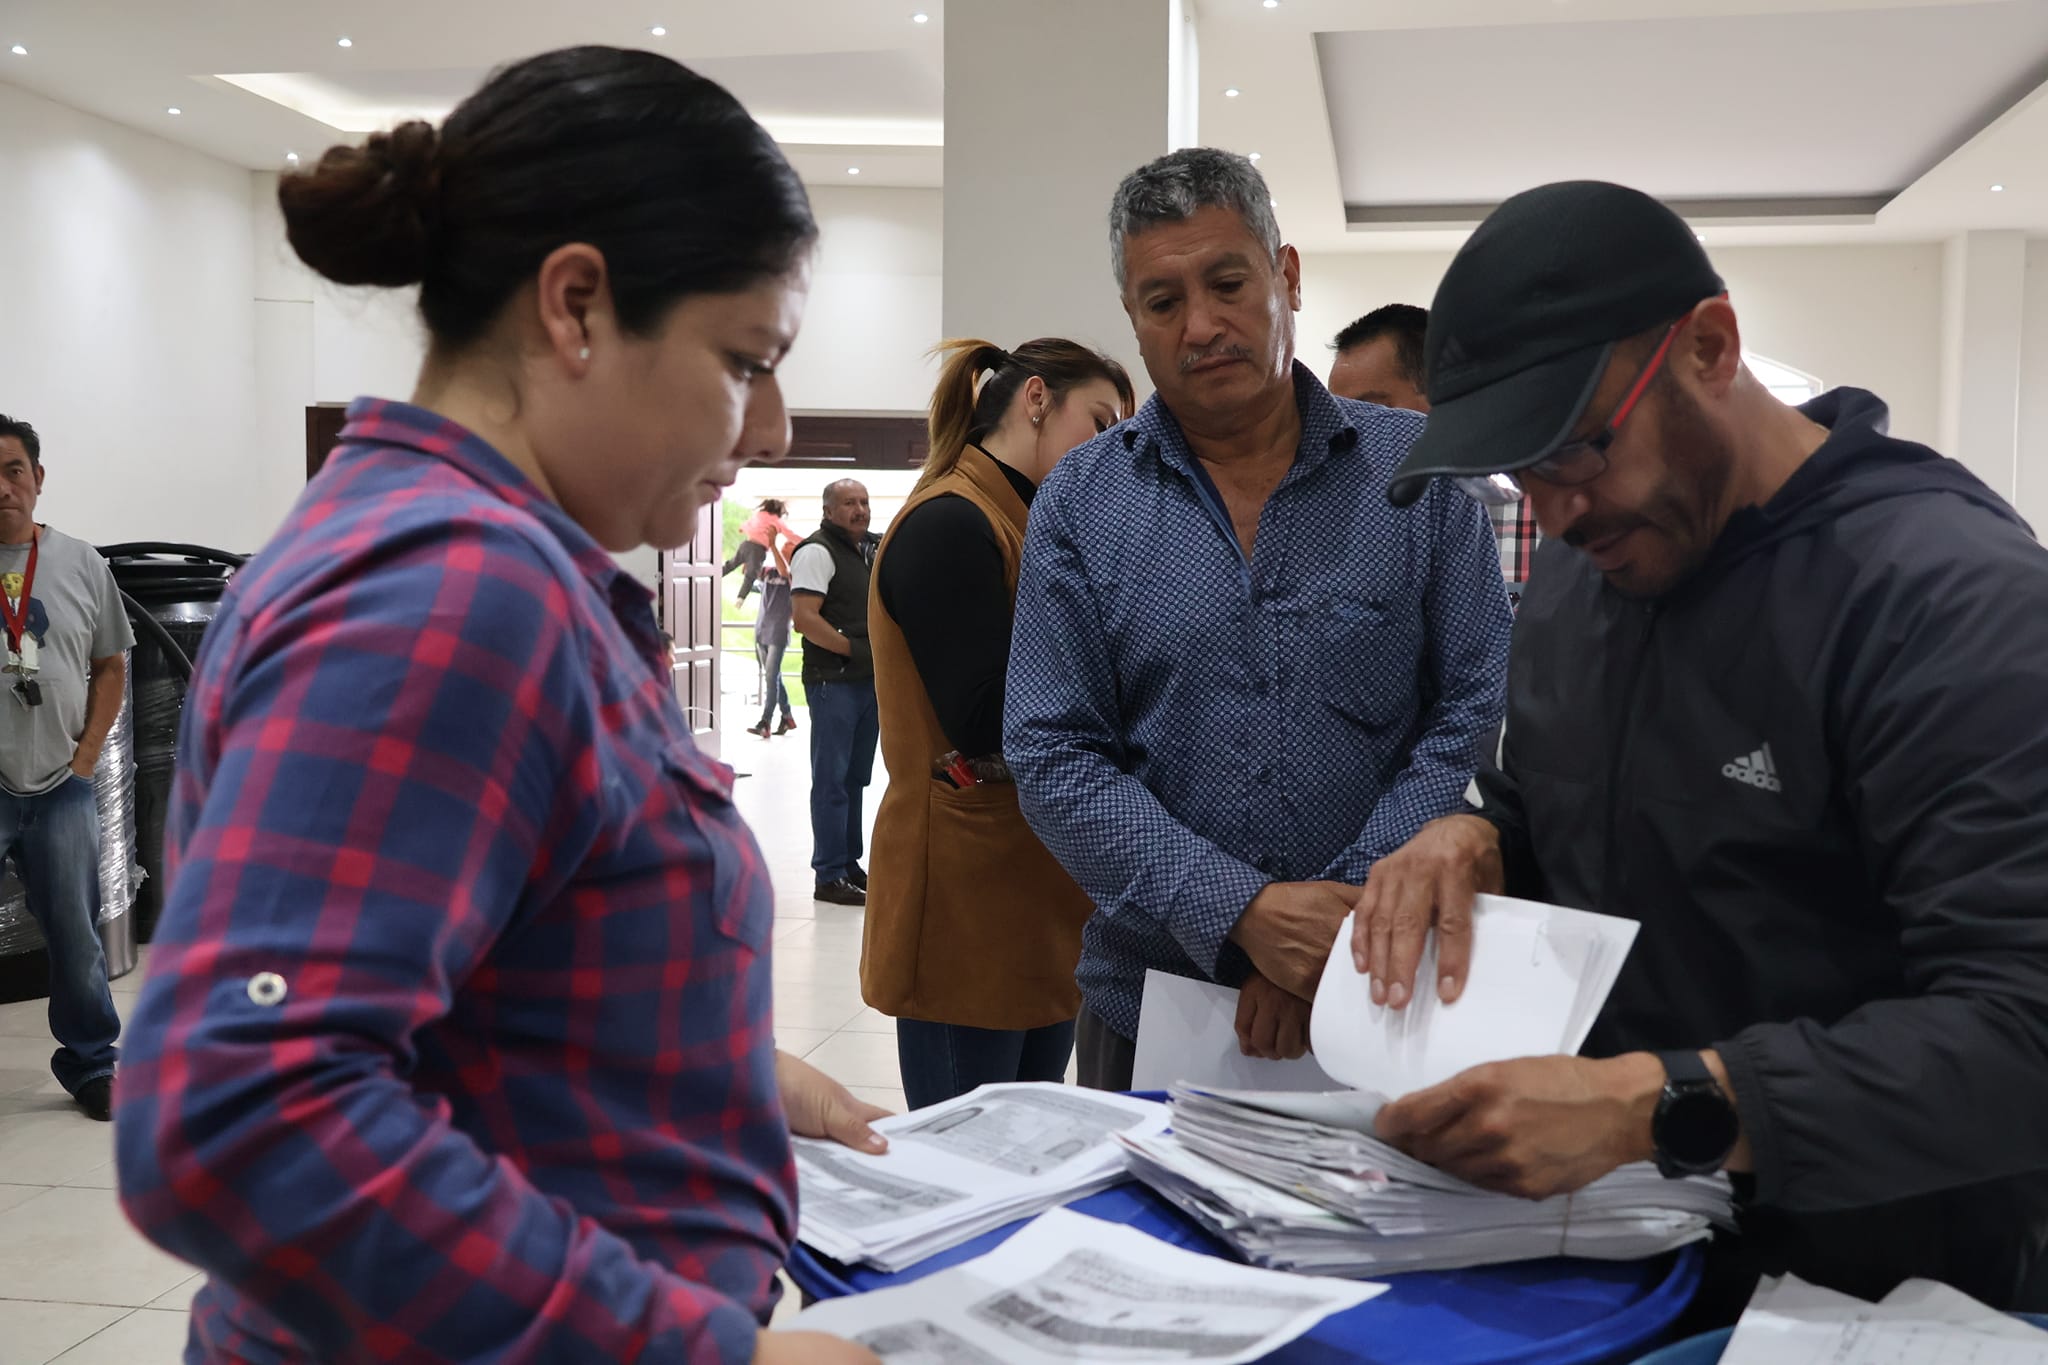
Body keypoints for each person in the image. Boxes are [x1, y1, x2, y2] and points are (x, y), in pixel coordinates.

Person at [112, 48, 888, 1365]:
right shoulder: (457, 594)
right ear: (576, 305)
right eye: (747, 360)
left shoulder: (475, 564)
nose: (771, 430)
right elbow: (241, 1109)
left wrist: (698, 1070)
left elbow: (477, 988)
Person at [1353, 179, 2048, 1322]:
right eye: (1522, 474)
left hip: (1881, 1292)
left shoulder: (1945, 602)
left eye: (1576, 450)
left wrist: (1656, 1106)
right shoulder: (1587, 566)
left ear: (1709, 349)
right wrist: (1474, 831)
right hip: (1619, 1257)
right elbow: (1553, 797)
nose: (1557, 512)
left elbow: (2023, 1030)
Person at [1005, 148, 1513, 1093]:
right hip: (1151, 1008)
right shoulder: (1082, 498)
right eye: (1162, 302)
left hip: (1385, 995)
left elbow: (1467, 713)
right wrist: (1241, 912)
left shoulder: (1422, 479)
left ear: (1285, 276)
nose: (1202, 325)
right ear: (1134, 320)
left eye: (1228, 282)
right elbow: (1052, 751)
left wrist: (1331, 927)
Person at [864, 337, 1135, 1109]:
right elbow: (987, 717)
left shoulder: (1026, 522)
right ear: (1038, 399)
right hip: (964, 893)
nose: (1112, 448)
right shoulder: (951, 521)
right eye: (1102, 421)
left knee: (1029, 1145)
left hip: (1031, 888)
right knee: (968, 1167)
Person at [0, 414, 130, 1123]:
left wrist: (84, 761)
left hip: (60, 784)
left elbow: (111, 665)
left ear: (37, 479)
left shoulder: (83, 564)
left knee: (77, 935)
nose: (1, 488)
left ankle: (91, 1063)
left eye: (13, 470)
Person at [1329, 304, 1541, 590]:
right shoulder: (1345, 516)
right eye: (1342, 414)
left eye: (1372, 410)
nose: (1350, 431)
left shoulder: (1547, 505)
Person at [791, 478, 878, 907]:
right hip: (833, 682)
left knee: (855, 778)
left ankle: (847, 864)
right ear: (828, 511)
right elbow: (805, 619)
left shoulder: (868, 550)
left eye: (863, 502)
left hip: (866, 682)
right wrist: (854, 651)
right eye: (848, 503)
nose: (859, 510)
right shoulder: (816, 552)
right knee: (831, 780)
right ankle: (827, 874)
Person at [746, 561, 797, 739]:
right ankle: (787, 716)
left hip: (779, 632)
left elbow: (785, 571)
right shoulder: (769, 571)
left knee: (770, 677)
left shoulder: (794, 575)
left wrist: (773, 544)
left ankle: (765, 721)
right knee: (773, 676)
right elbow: (748, 570)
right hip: (762, 629)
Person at [723, 496, 800, 602]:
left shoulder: (758, 515)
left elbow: (745, 525)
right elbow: (791, 536)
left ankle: (714, 575)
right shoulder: (777, 521)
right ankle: (740, 598)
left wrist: (742, 529)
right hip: (758, 549)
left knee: (731, 564)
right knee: (750, 575)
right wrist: (806, 541)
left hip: (746, 544)